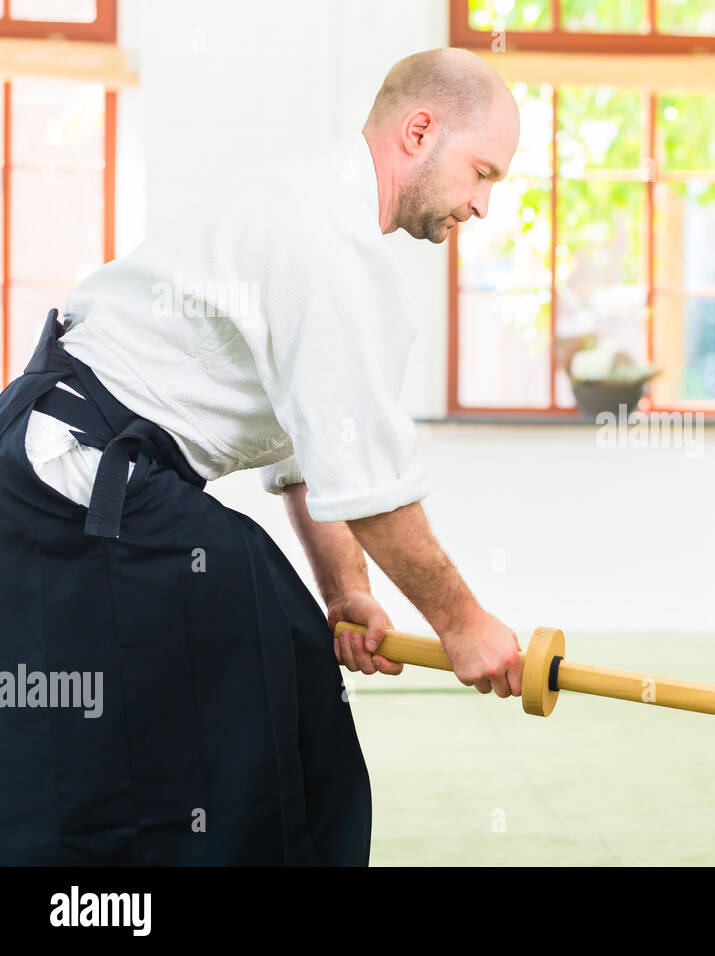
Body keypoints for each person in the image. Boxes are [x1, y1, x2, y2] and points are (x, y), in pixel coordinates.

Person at [0, 48, 523, 865]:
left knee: (126, 719)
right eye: (482, 172)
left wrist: (348, 595)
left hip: (59, 464)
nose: (484, 205)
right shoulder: (330, 242)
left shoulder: (311, 208)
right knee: (272, 665)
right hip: (77, 466)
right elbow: (376, 495)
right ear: (420, 131)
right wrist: (464, 625)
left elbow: (312, 459)